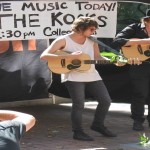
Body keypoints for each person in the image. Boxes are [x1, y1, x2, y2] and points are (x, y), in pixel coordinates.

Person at [40, 16, 121, 141]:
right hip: (73, 76)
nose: (93, 32)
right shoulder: (63, 40)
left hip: (92, 75)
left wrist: (114, 61)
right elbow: (44, 56)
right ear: (81, 27)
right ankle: (78, 132)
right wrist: (69, 57)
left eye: (94, 30)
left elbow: (98, 57)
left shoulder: (92, 40)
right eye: (91, 29)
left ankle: (97, 125)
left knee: (106, 101)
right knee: (79, 105)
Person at [112, 9, 150, 131]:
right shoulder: (135, 28)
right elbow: (118, 40)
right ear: (146, 20)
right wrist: (144, 41)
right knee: (140, 93)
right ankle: (137, 120)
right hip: (139, 65)